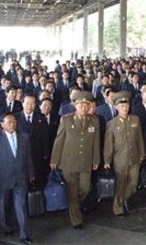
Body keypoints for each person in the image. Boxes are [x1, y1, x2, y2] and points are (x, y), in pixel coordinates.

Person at [50, 92, 100, 228]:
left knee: (85, 187)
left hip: (86, 161)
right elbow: (58, 141)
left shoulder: (94, 120)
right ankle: (76, 220)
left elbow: (96, 142)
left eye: (86, 105)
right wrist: (54, 159)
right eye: (80, 105)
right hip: (69, 162)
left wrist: (96, 160)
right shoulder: (66, 120)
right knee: (72, 191)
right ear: (75, 106)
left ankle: (74, 206)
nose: (83, 108)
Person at [0, 112, 34, 244]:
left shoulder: (24, 137)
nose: (12, 124)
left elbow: (28, 157)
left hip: (20, 177)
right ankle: (6, 227)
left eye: (14, 121)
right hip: (2, 178)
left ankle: (25, 234)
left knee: (21, 206)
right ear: (2, 124)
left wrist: (31, 173)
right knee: (4, 205)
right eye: (9, 122)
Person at [103, 92, 145, 216]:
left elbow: (139, 138)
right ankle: (118, 207)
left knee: (133, 183)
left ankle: (124, 200)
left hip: (135, 157)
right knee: (120, 185)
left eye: (126, 105)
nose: (125, 108)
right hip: (119, 159)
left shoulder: (135, 119)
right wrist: (107, 161)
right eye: (122, 106)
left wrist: (142, 153)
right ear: (116, 107)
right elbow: (108, 144)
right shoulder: (112, 124)